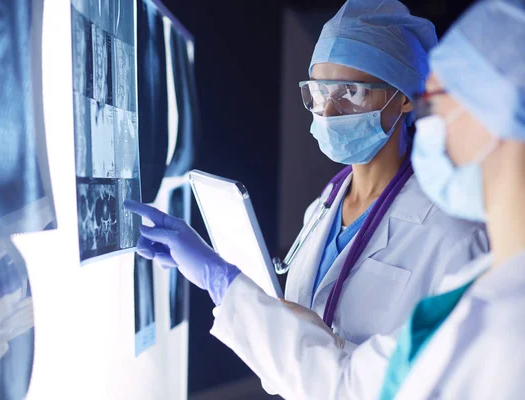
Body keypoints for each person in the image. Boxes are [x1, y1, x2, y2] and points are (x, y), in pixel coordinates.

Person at [128, 0, 525, 397]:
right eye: (319, 92)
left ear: (405, 97)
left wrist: (222, 282)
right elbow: (307, 362)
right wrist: (228, 281)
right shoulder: (323, 207)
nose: (329, 112)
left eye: (350, 92)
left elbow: (356, 384)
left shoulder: (460, 239)